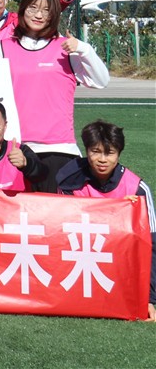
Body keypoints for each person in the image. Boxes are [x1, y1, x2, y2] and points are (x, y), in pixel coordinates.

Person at [0, 0, 109, 191]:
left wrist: (84, 49)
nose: (39, 15)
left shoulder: (66, 47)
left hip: (59, 148)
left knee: (56, 210)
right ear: (22, 9)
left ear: (54, 14)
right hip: (16, 147)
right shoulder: (3, 47)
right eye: (33, 8)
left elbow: (100, 81)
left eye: (46, 10)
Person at [56, 120, 156, 321]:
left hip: (120, 263)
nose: (102, 159)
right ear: (86, 151)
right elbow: (61, 232)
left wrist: (149, 299)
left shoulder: (137, 188)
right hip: (80, 259)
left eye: (109, 153)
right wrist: (114, 211)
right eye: (95, 151)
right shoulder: (68, 180)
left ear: (119, 154)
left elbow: (151, 245)